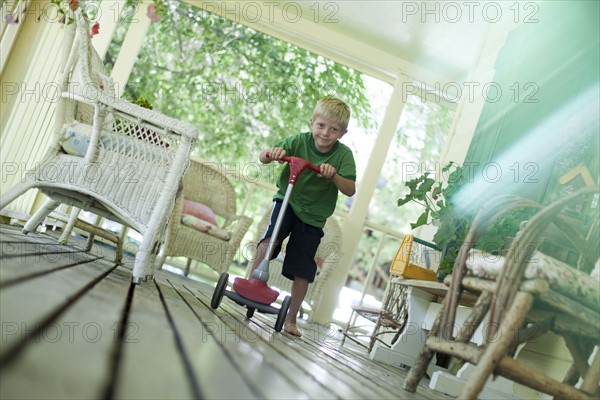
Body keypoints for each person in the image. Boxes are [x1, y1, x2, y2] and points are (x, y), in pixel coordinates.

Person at [253, 97, 356, 337]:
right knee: (271, 239)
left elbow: (350, 189)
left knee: (303, 265)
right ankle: (252, 285)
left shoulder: (343, 156)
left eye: (334, 129)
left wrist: (334, 177)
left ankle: (291, 318)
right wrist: (272, 153)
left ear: (342, 133)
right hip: (288, 200)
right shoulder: (299, 140)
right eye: (321, 126)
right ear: (312, 122)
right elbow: (263, 156)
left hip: (314, 216)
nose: (325, 133)